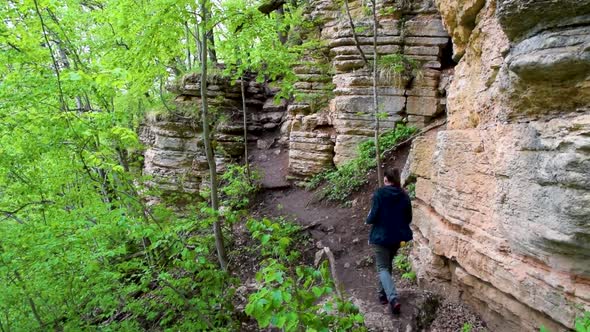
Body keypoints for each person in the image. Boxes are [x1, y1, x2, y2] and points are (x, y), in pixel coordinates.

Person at [365, 168, 413, 315]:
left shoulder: (380, 194)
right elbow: (408, 218)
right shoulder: (404, 196)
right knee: (387, 266)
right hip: (397, 238)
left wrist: (369, 218)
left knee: (382, 268)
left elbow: (372, 217)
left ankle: (393, 298)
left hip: (380, 237)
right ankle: (382, 295)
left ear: (386, 180)